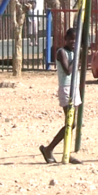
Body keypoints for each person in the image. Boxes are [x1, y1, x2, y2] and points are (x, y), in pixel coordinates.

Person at [39, 28, 83, 164]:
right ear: (66, 39)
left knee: (72, 123)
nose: (73, 42)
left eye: (76, 40)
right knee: (71, 123)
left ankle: (65, 153)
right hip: (66, 88)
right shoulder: (61, 52)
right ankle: (50, 149)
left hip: (74, 88)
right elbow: (68, 70)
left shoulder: (75, 51)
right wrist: (77, 56)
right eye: (71, 39)